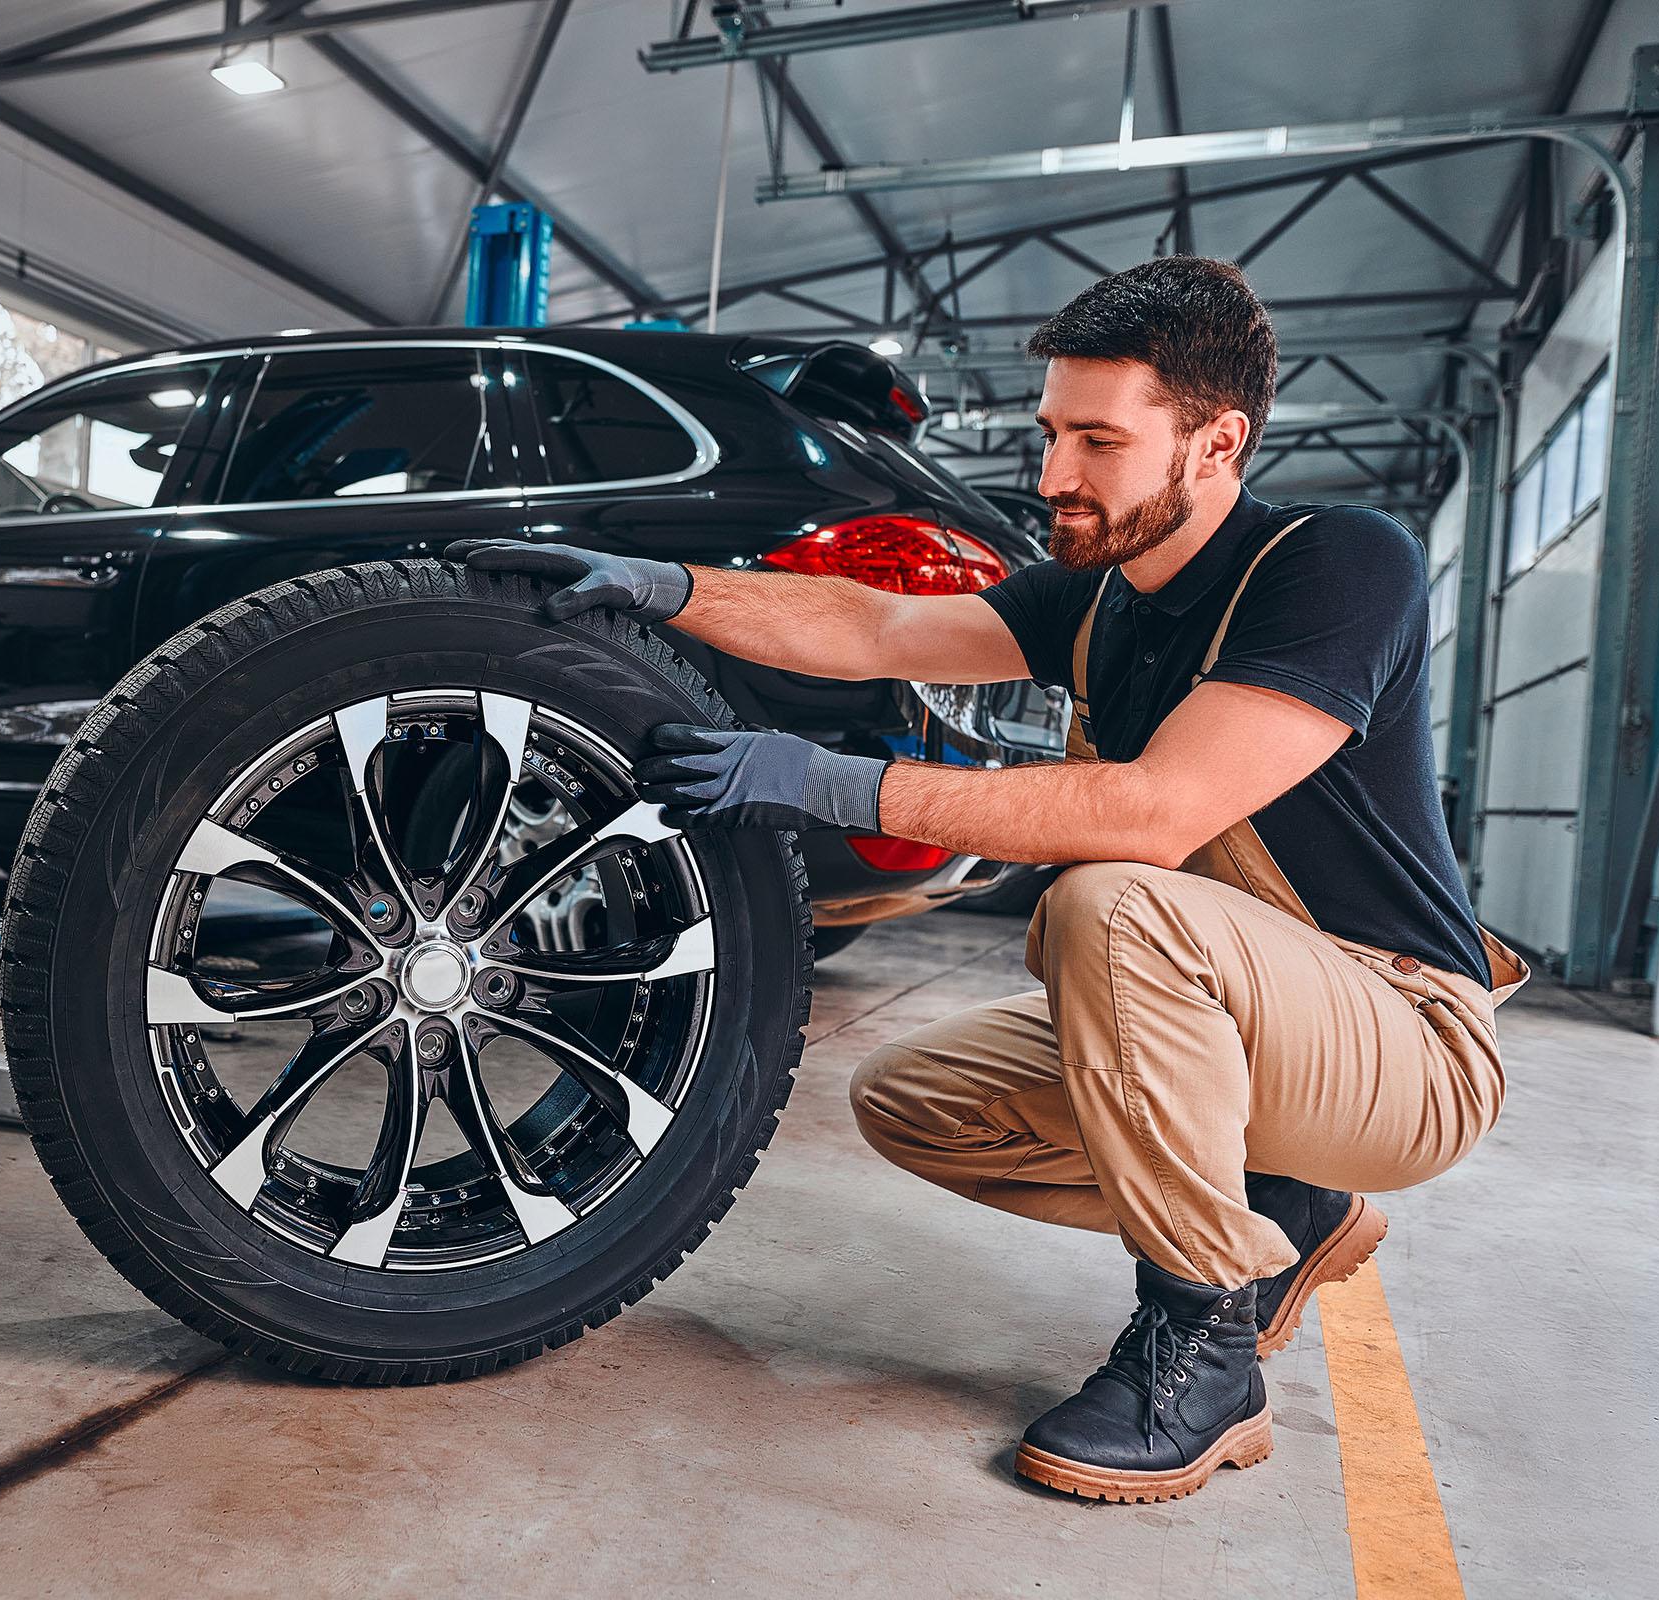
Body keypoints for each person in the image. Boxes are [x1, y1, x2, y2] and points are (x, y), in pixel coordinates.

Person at [447, 256, 1526, 1505]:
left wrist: (830, 780)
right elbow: (877, 629)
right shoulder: (1099, 594)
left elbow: (1161, 810)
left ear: (1217, 441)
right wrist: (669, 592)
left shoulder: (1337, 564)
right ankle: (1284, 1199)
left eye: (1099, 441)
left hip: (1407, 1034)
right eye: (1051, 431)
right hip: (1273, 1018)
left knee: (1112, 903)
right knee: (913, 1099)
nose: (1054, 473)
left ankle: (1207, 1341)